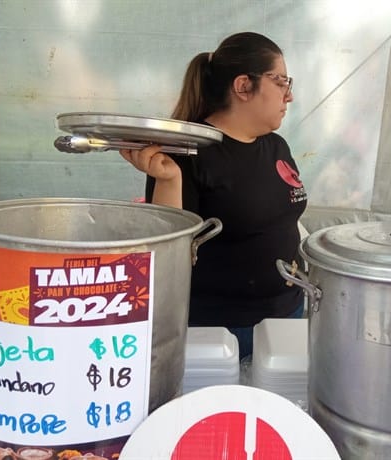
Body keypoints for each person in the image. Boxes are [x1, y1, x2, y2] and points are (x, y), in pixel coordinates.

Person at [120, 32, 307, 360]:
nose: (288, 96)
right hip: (223, 332)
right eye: (281, 82)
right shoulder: (188, 153)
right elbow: (167, 254)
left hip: (287, 315)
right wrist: (167, 179)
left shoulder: (277, 147)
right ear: (243, 86)